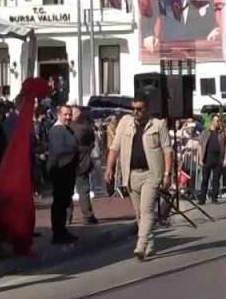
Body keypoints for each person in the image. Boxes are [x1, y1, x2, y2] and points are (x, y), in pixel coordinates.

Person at [105, 95, 173, 261]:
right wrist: (109, 168)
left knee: (147, 210)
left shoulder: (158, 125)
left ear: (147, 109)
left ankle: (140, 247)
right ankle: (149, 245)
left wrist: (167, 174)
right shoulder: (125, 123)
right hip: (131, 175)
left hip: (151, 174)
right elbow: (114, 147)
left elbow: (167, 150)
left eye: (139, 109)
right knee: (139, 214)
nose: (136, 112)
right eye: (133, 109)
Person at [46, 105, 80, 244]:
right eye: (65, 114)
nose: (68, 117)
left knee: (65, 201)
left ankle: (62, 229)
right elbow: (59, 152)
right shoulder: (57, 130)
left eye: (70, 114)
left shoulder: (67, 129)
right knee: (59, 203)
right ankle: (58, 232)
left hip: (68, 172)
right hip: (61, 172)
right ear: (58, 114)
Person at [70, 105, 99, 225]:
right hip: (83, 160)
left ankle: (67, 217)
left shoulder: (69, 128)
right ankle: (87, 215)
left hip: (70, 161)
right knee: (84, 189)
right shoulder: (86, 127)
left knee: (68, 191)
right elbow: (92, 141)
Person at [197, 114, 226, 204]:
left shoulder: (221, 133)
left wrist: (225, 159)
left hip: (218, 158)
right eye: (217, 121)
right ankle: (202, 198)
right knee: (205, 179)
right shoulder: (205, 132)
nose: (218, 123)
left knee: (216, 180)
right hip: (207, 158)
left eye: (219, 121)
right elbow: (200, 145)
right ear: (212, 122)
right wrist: (200, 159)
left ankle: (214, 197)